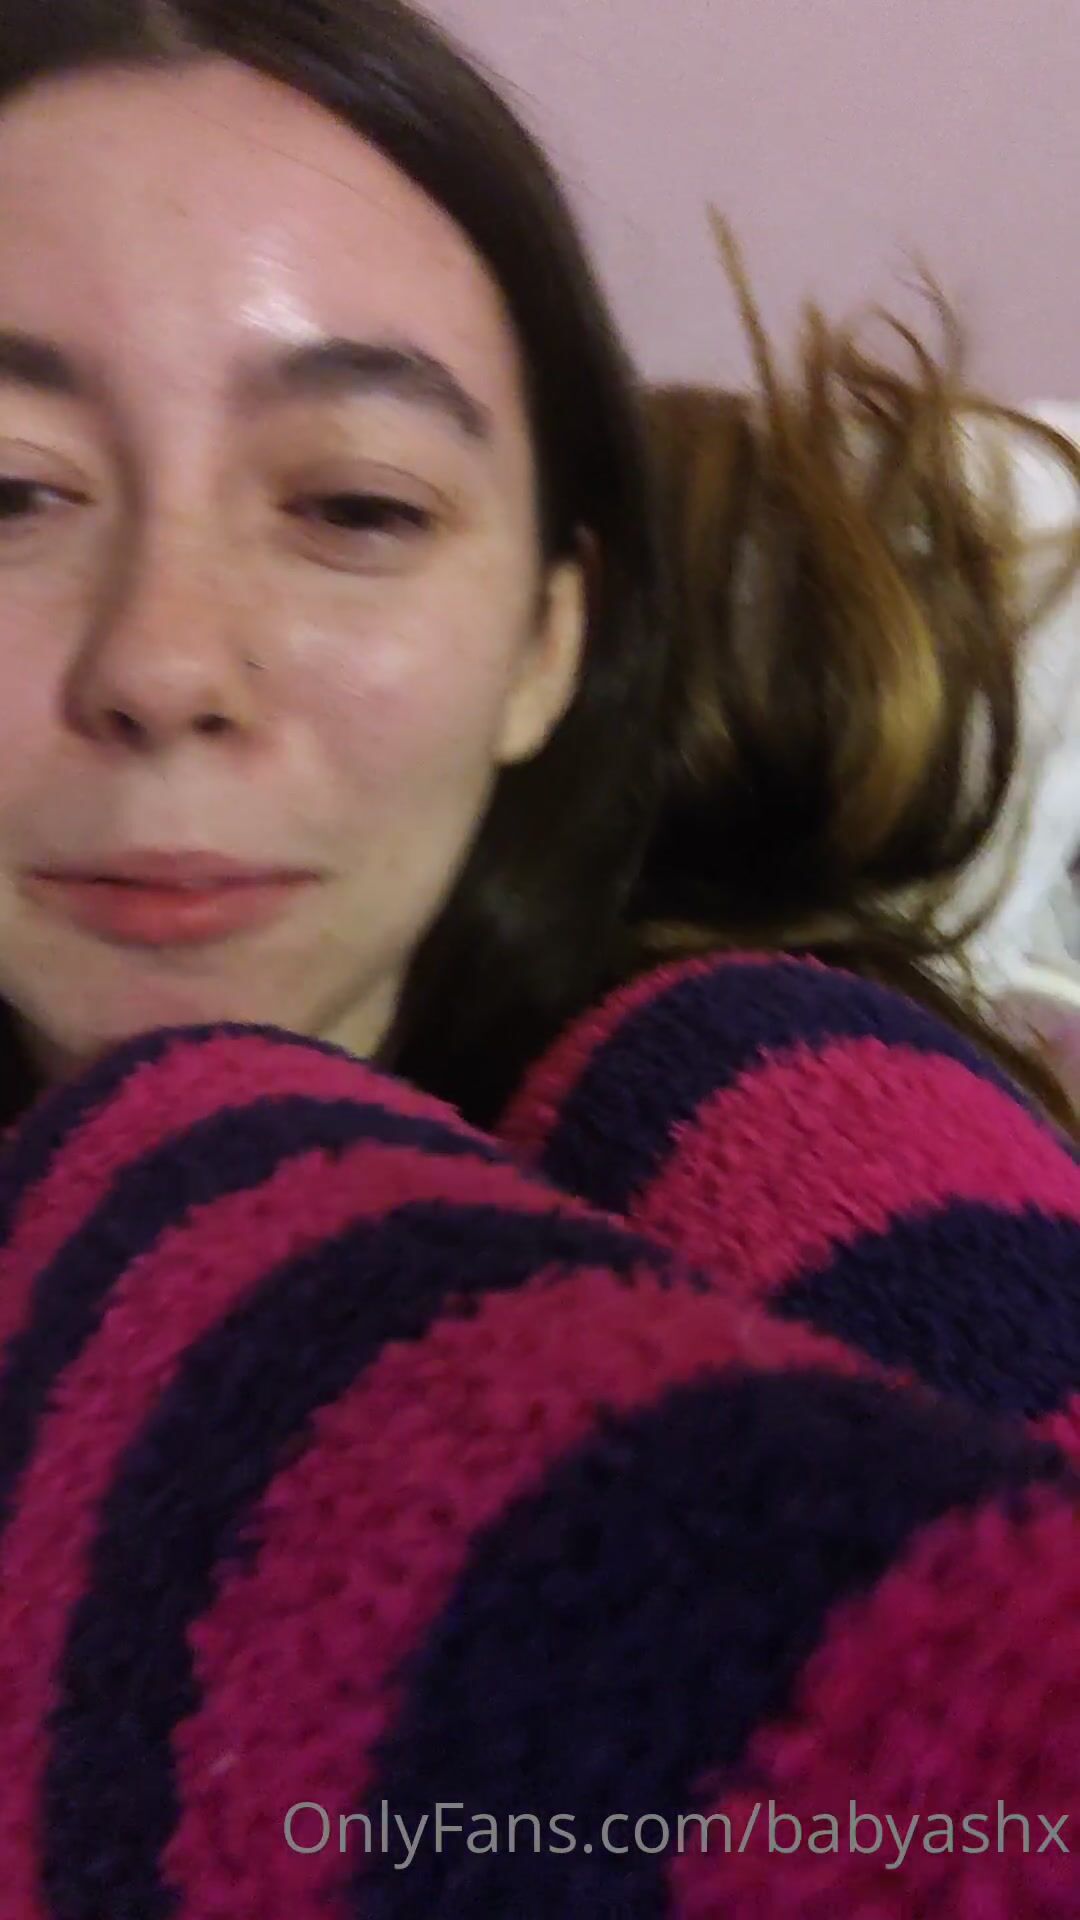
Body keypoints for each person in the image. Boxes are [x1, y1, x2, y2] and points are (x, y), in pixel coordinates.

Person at [0, 5, 1076, 1918]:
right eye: (7, 494)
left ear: (547, 644)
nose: (162, 664)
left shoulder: (752, 1077)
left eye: (356, 506)